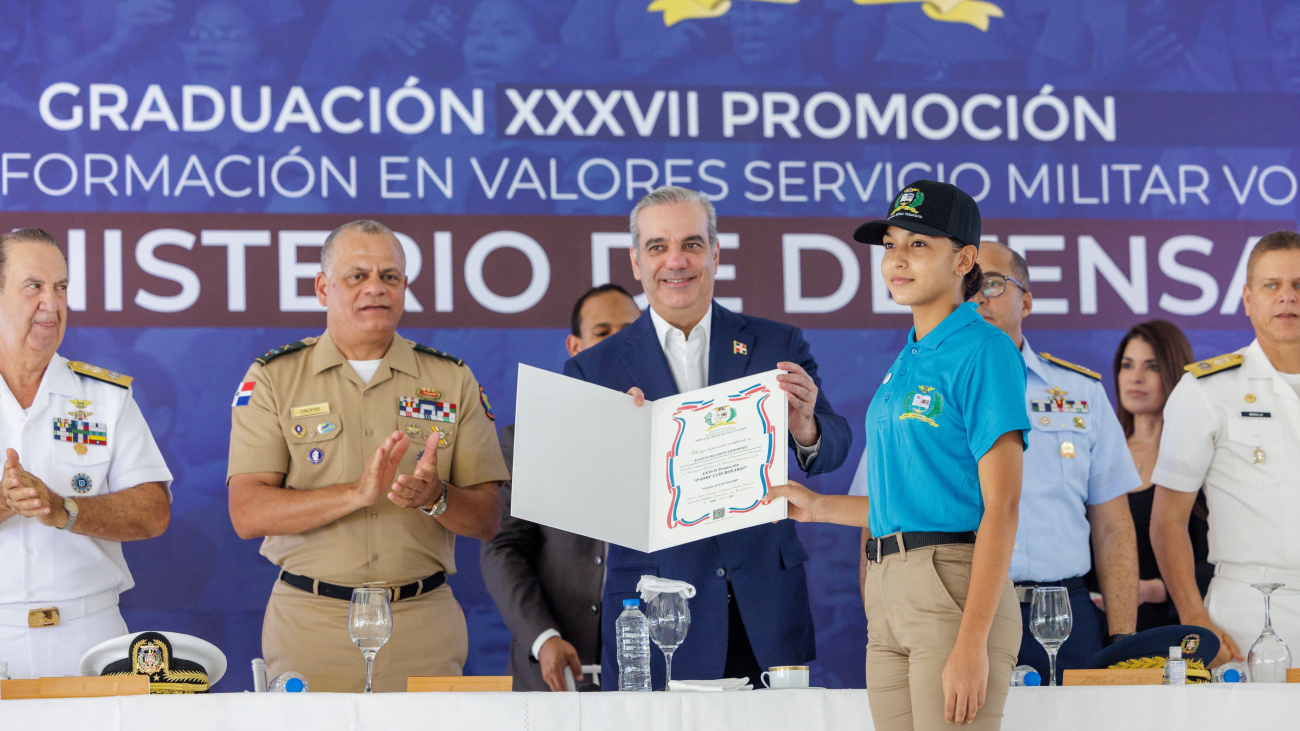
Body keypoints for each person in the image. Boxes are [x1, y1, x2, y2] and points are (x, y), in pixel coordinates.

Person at [564, 186, 852, 688]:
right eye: (657, 247)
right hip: (656, 613)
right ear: (636, 261)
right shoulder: (594, 369)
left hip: (762, 609)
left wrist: (804, 427)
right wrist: (617, 447)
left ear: (716, 254)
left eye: (692, 244)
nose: (676, 261)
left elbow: (834, 446)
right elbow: (577, 498)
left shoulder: (775, 343)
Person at [772, 179, 1027, 729]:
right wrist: (816, 507)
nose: (896, 261)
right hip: (888, 591)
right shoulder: (906, 360)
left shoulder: (985, 350)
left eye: (918, 245)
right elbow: (912, 502)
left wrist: (972, 642)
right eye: (890, 245)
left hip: (953, 588)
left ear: (964, 259)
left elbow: (1002, 507)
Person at [226, 219, 509, 693]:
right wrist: (355, 493)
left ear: (404, 287)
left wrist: (435, 497)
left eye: (389, 276)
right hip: (311, 626)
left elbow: (488, 519)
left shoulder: (451, 379)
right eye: (357, 276)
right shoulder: (275, 377)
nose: (376, 288)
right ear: (323, 287)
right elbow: (247, 512)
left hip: (422, 625)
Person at [0, 228, 172, 679]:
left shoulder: (106, 396)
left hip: (89, 638)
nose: (51, 305)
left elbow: (153, 511)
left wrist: (65, 509)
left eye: (61, 288)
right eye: (33, 287)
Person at [967, 241, 1141, 682]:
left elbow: (1113, 525)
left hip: (1066, 613)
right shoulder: (922, 393)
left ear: (1025, 299)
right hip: (962, 609)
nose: (978, 296)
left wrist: (1122, 639)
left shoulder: (1081, 393)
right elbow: (880, 520)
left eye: (991, 282)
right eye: (966, 285)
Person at [481, 284, 642, 692]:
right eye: (603, 331)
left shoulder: (679, 430)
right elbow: (503, 548)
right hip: (556, 673)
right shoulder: (531, 437)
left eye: (630, 331)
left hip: (662, 673)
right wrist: (544, 638)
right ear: (576, 345)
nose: (618, 343)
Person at [1151, 230, 1300, 667]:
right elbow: (1167, 522)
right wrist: (1195, 618)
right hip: (1251, 610)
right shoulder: (1207, 389)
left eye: (1299, 286)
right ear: (1248, 298)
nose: (1287, 298)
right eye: (1273, 286)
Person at [1110, 320, 1210, 631]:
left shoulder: (1197, 456)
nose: (1136, 377)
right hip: (1099, 626)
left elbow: (1216, 562)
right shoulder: (1098, 452)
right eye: (1128, 365)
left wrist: (1152, 590)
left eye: (1150, 367)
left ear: (1173, 372)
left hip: (1177, 626)